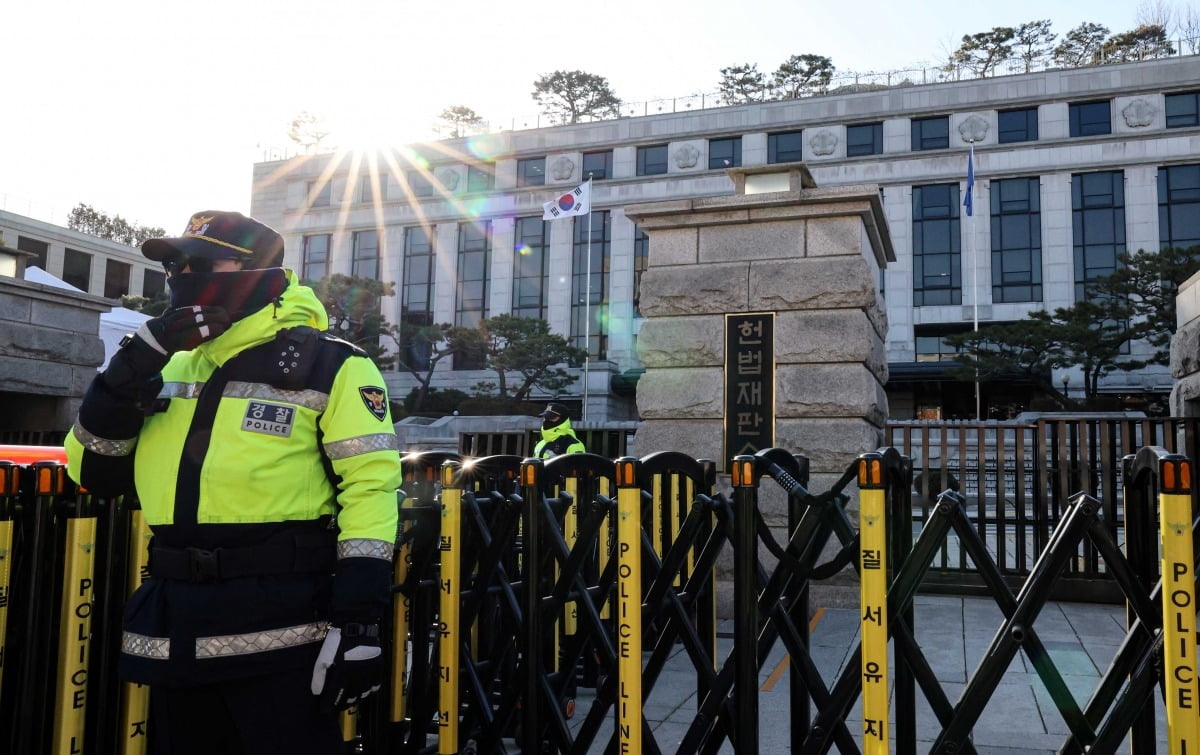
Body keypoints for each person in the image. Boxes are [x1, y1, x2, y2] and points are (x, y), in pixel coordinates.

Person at [65, 210, 401, 755]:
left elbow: (372, 488)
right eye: (174, 263)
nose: (181, 274)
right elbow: (93, 472)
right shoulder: (166, 363)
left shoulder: (333, 365)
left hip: (284, 628)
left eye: (200, 262)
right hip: (175, 624)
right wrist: (126, 373)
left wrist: (359, 622)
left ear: (258, 273)